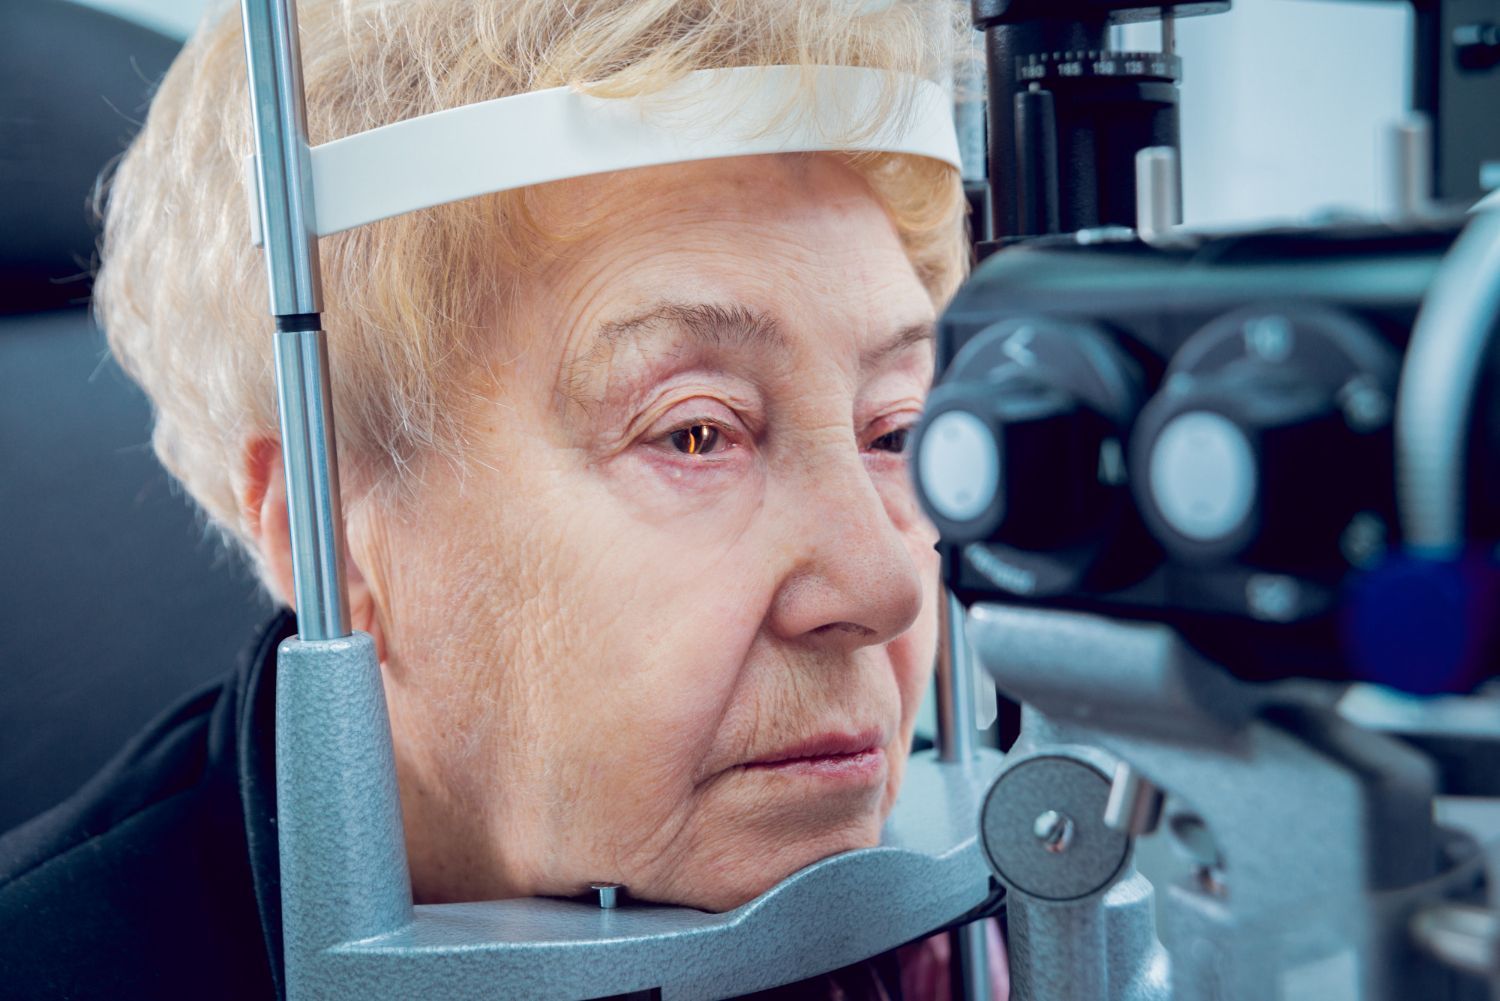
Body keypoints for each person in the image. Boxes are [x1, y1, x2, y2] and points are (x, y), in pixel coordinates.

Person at [0, 0, 1007, 997]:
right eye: (696, 432)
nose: (885, 586)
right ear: (338, 543)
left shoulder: (983, 937)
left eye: (896, 432)